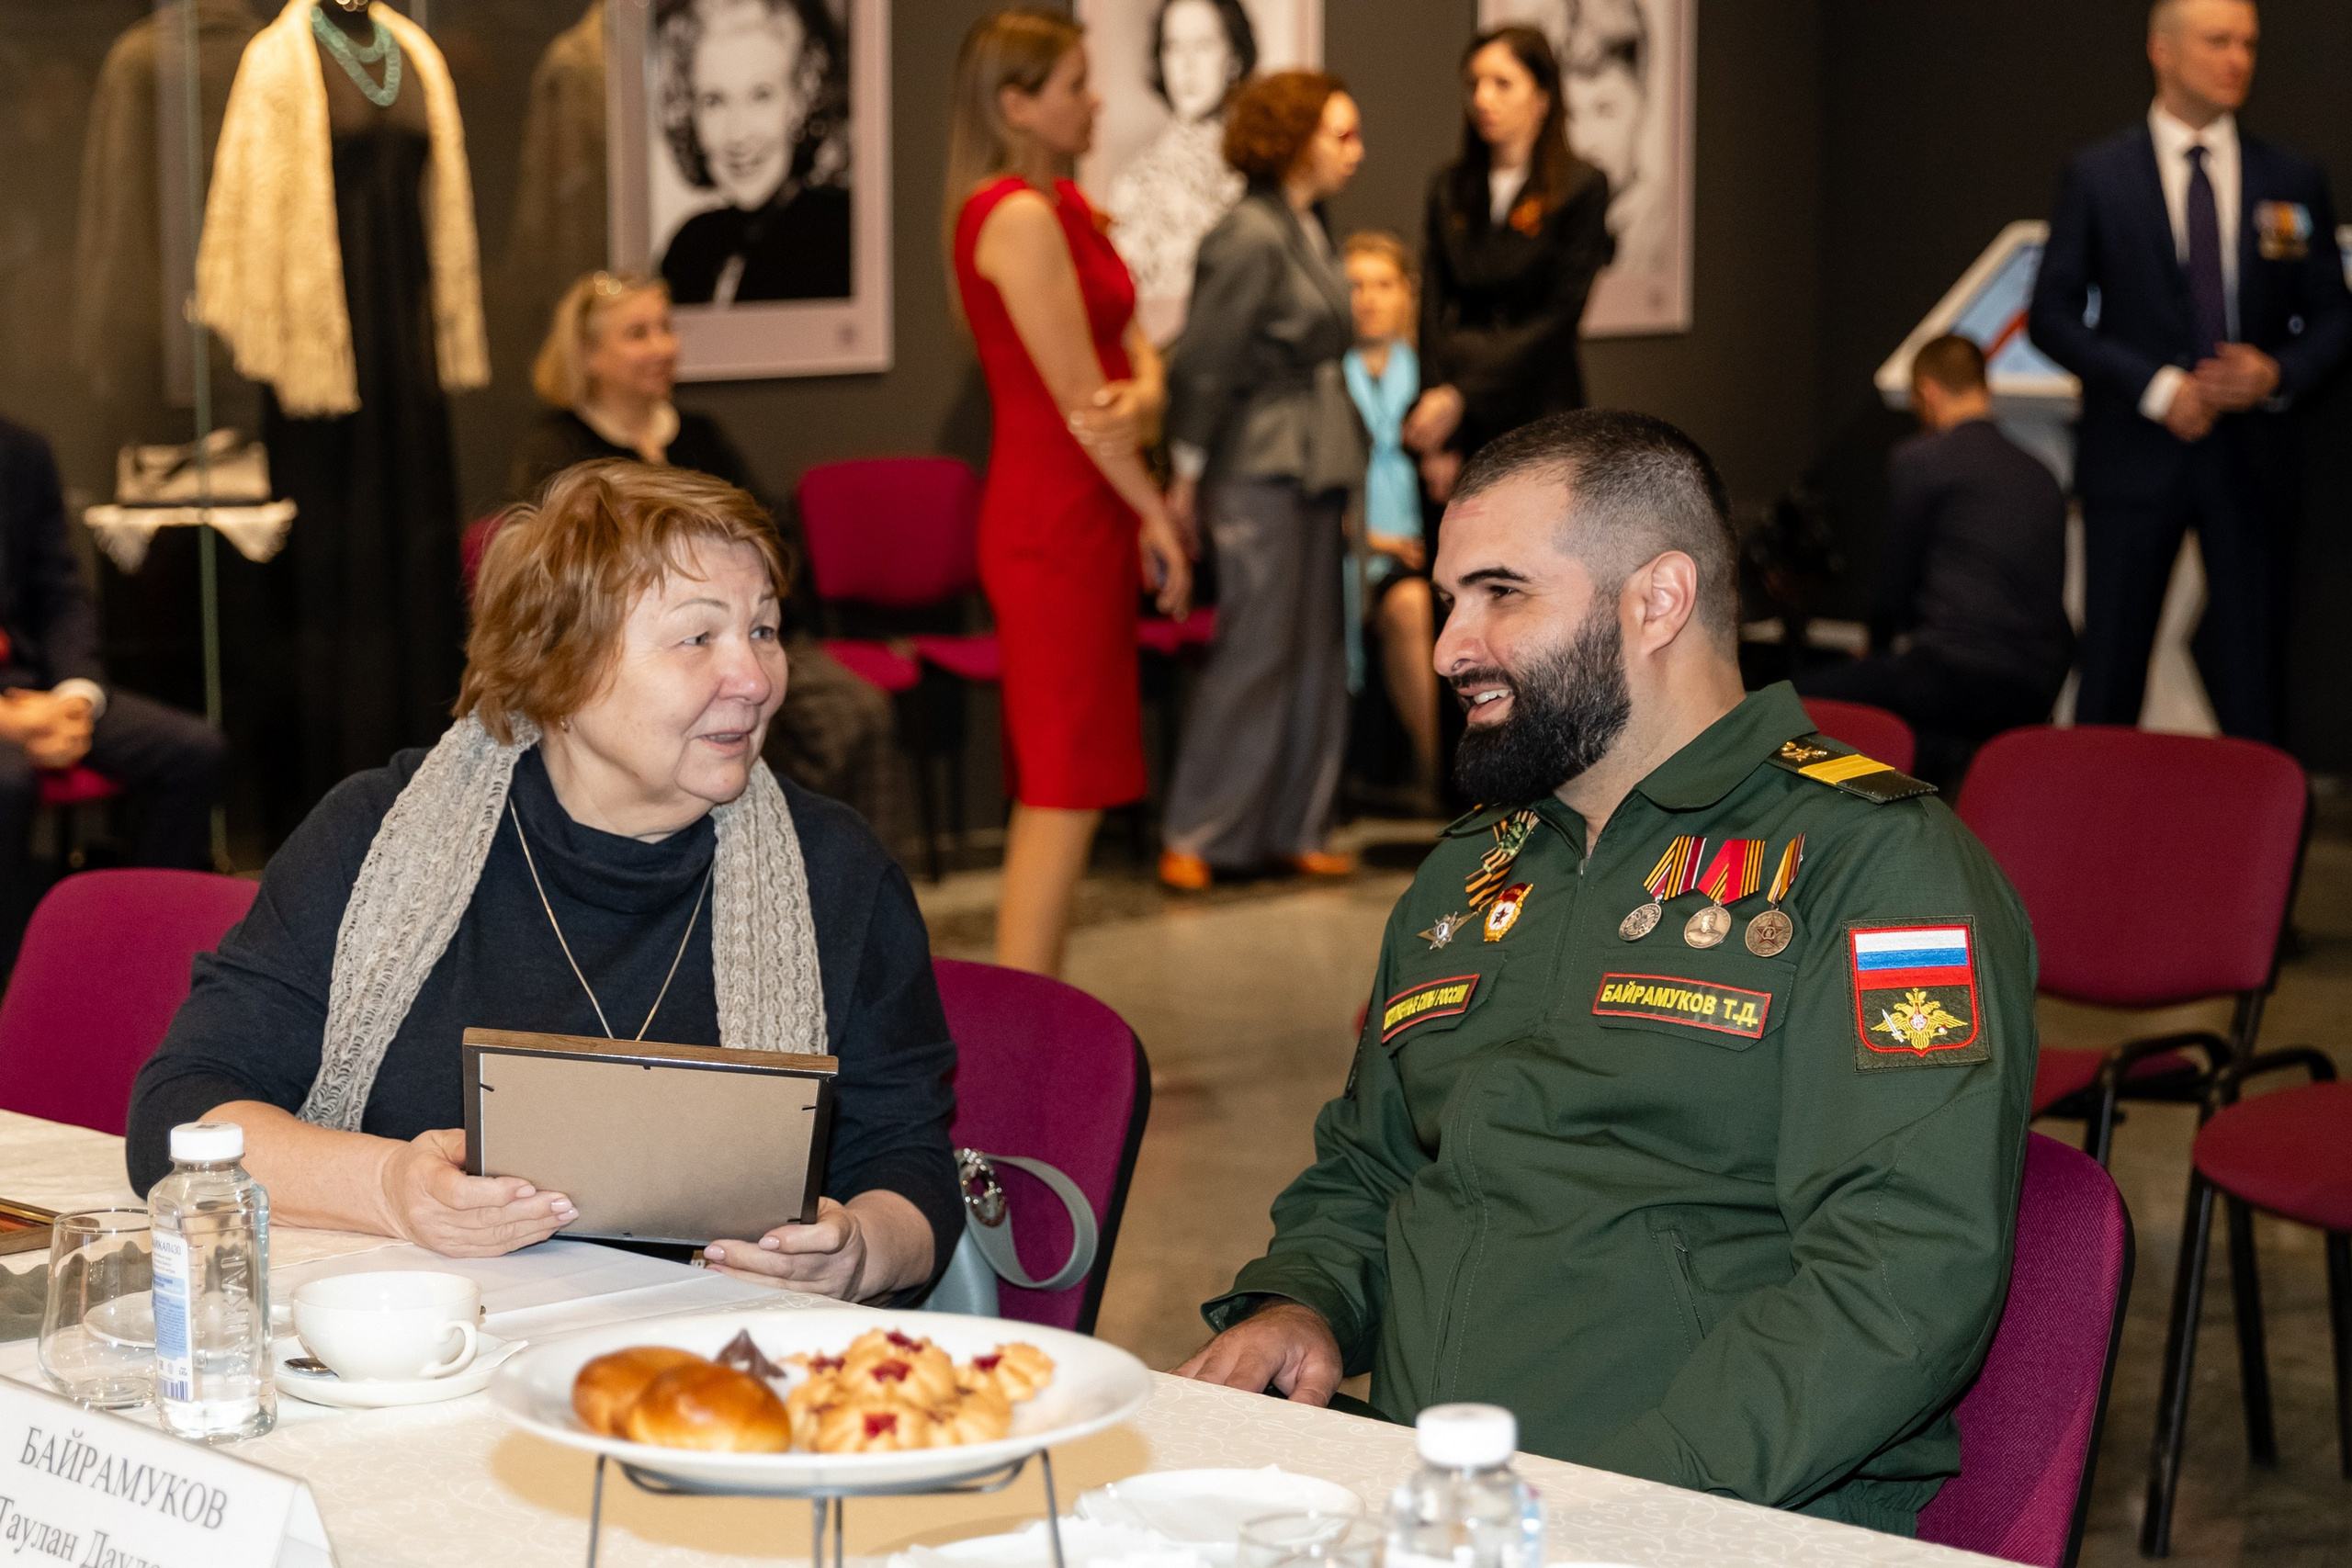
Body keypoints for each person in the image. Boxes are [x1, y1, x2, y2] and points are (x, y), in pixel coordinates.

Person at [1175, 410, 2035, 1535]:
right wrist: (1305, 1301)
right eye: (1447, 600)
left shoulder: (1875, 865)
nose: (1448, 648)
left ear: (1656, 600)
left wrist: (1624, 1512)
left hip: (1720, 1518)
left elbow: (1901, 1273)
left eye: (1500, 593)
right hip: (1438, 1505)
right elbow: (1369, 1165)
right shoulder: (1470, 874)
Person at [126, 462, 957, 1302]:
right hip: (410, 1341)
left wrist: (858, 1253)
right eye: (698, 638)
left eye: (766, 630)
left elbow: (910, 1169)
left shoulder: (836, 872)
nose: (753, 678)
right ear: (559, 670)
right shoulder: (375, 834)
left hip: (705, 1369)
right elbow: (181, 1113)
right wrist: (390, 1190)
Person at [2026, 0, 2351, 743]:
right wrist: (2157, 387)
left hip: (2253, 464)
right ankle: (2094, 849)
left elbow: (2335, 314)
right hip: (2134, 460)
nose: (2237, 58)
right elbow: (2053, 313)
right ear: (2162, 51)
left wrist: (2275, 372)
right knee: (2109, 677)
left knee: (2254, 685)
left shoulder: (2292, 176)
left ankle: (2258, 853)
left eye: (2248, 43)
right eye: (2217, 41)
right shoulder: (2099, 175)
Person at [947, 10, 1193, 975]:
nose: (1095, 102)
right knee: (1059, 781)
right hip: (1054, 518)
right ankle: (1021, 1023)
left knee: (1074, 780)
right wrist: (1154, 510)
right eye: (1074, 85)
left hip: (1084, 505)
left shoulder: (1063, 208)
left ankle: (1035, 1014)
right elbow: (1085, 404)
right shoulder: (1013, 214)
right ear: (1016, 103)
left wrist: (1144, 401)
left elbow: (1134, 367)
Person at [510, 271, 907, 851]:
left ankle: (852, 880)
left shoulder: (700, 435)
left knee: (860, 713)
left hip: (743, 634)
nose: (662, 346)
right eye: (639, 333)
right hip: (634, 660)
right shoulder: (558, 452)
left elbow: (766, 535)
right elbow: (563, 582)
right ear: (590, 355)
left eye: (666, 329)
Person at [1158, 71, 1368, 891]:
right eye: (1341, 134)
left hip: (1315, 456)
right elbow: (1203, 367)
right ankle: (1199, 828)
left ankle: (1292, 823)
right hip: (1259, 461)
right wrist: (1185, 478)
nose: (1356, 152)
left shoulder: (1306, 224)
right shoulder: (1248, 233)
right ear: (1295, 139)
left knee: (1316, 649)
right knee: (1255, 645)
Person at [1794, 334, 2073, 785]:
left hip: (1951, 674)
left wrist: (1876, 648)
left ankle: (1866, 818)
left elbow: (1893, 581)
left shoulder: (1922, 460)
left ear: (1926, 391)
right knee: (1928, 739)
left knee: (1791, 704)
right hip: (2032, 689)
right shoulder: (2040, 472)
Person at [0, 418, 224, 956]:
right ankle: (17, 978)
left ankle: (134, 948)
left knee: (195, 751)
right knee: (6, 782)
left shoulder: (22, 452)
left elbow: (59, 596)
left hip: (32, 686)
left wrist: (75, 698)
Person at [1404, 25, 1613, 504]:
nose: (1483, 98)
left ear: (1542, 97)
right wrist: (1438, 422)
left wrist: (1460, 396)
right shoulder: (1450, 187)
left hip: (1536, 405)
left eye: (1502, 84)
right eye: (1474, 83)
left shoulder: (1580, 187)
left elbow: (1558, 318)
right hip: (1450, 418)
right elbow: (1432, 308)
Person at [654, 0, 851, 306]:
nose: (738, 134)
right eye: (714, 101)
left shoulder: (840, 236)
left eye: (761, 96)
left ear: (801, 98)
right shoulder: (690, 249)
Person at [1340, 231, 1441, 810]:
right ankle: (1443, 781)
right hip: (1342, 557)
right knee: (1408, 604)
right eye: (1354, 286)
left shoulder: (1433, 380)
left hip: (1421, 555)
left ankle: (1447, 784)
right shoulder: (1323, 381)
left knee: (1417, 603)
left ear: (1408, 295)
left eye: (1383, 284)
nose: (1369, 299)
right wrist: (1376, 541)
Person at [1104, 0, 1256, 344]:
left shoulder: (1256, 172)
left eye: (1203, 46)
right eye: (1173, 47)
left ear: (1234, 58)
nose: (1187, 66)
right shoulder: (1134, 183)